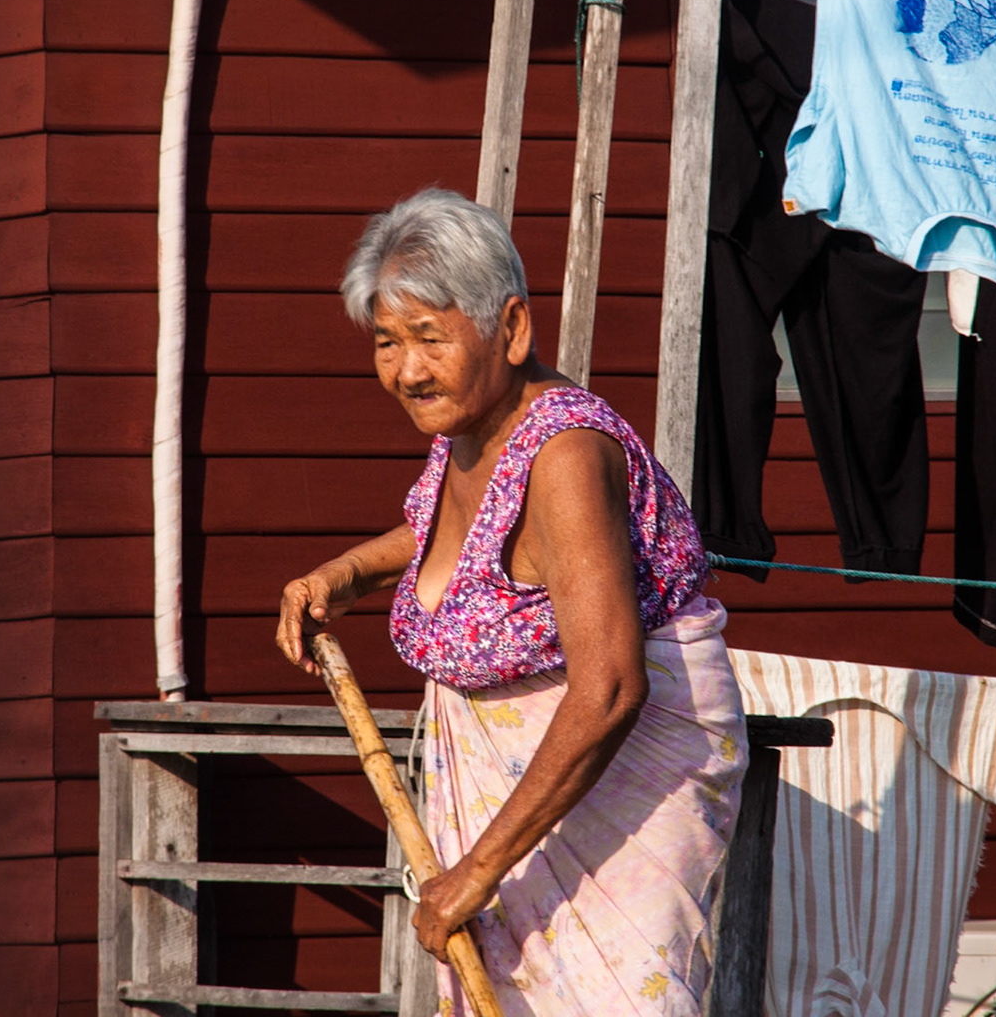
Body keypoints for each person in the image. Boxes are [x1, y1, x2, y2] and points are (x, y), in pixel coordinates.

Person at [276, 189, 749, 1016]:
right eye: (387, 342)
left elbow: (607, 688)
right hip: (519, 808)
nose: (407, 370)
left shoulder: (563, 455)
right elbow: (456, 543)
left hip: (614, 786)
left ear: (514, 330)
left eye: (430, 338)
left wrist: (477, 873)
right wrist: (345, 574)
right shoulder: (468, 433)